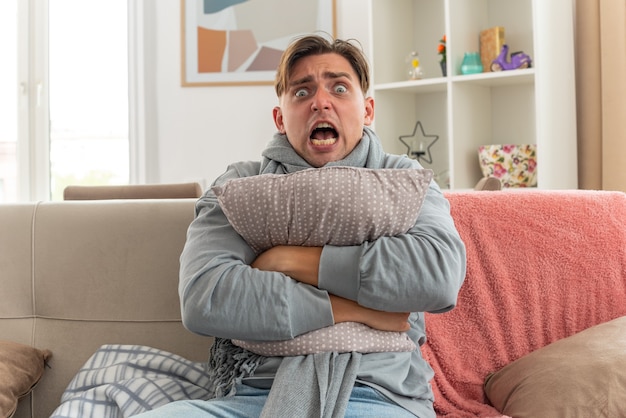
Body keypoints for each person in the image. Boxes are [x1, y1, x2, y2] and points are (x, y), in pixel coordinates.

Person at [135, 34, 466, 418]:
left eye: (339, 87)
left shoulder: (404, 179)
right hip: (250, 395)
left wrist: (290, 259)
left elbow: (437, 275)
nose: (320, 101)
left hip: (376, 395)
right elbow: (204, 297)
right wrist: (356, 309)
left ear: (368, 109)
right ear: (280, 118)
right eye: (301, 91)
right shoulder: (240, 186)